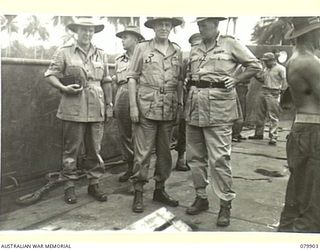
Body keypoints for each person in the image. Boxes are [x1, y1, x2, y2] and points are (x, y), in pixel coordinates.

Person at [185, 17, 261, 227]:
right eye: (199, 24)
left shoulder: (230, 43)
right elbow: (189, 75)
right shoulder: (195, 48)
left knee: (219, 159)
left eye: (206, 24)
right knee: (195, 157)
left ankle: (225, 204)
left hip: (219, 108)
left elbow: (255, 65)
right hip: (194, 107)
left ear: (216, 25)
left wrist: (236, 79)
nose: (202, 28)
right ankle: (201, 197)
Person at [44, 17, 112, 204]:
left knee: (94, 149)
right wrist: (63, 88)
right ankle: (69, 187)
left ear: (94, 32)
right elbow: (50, 75)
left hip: (97, 105)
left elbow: (106, 80)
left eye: (91, 30)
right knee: (71, 149)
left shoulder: (101, 54)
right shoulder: (64, 52)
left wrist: (109, 105)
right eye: (84, 30)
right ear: (77, 31)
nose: (87, 33)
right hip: (73, 105)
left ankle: (94, 184)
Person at [127, 17, 183, 213]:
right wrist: (133, 107)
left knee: (165, 153)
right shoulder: (142, 48)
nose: (164, 28)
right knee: (142, 154)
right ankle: (139, 192)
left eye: (168, 25)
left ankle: (160, 189)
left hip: (168, 108)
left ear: (172, 28)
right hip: (146, 107)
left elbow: (179, 81)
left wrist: (180, 104)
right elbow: (132, 78)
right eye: (160, 24)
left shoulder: (177, 51)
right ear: (153, 27)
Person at [278, 16, 320, 232]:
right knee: (314, 201)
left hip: (303, 128)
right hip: (314, 131)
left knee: (297, 192)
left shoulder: (296, 59)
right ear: (311, 34)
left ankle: (285, 234)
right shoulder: (310, 62)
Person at [113, 26, 145, 182]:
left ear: (136, 39)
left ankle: (139, 170)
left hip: (140, 93)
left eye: (126, 37)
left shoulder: (145, 57)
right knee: (124, 134)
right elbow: (115, 81)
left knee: (140, 135)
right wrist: (114, 102)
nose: (122, 41)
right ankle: (130, 167)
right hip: (122, 93)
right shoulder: (119, 59)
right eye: (122, 38)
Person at [173, 33, 202, 172]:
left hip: (204, 101)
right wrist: (180, 101)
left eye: (198, 44)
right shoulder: (186, 62)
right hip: (188, 99)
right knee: (184, 131)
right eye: (193, 45)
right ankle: (181, 159)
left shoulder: (207, 60)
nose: (195, 48)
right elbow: (179, 81)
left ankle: (198, 160)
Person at [248, 52, 287, 145]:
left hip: (274, 92)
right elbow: (262, 79)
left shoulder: (280, 68)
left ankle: (273, 137)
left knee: (273, 115)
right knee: (259, 113)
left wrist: (282, 90)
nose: (265, 63)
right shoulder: (266, 69)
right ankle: (258, 134)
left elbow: (285, 81)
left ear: (272, 60)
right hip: (264, 90)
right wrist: (255, 74)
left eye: (266, 61)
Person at [231, 66, 250, 142]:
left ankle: (237, 133)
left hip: (244, 89)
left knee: (243, 112)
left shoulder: (244, 68)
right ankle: (235, 134)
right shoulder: (239, 69)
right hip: (239, 89)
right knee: (240, 113)